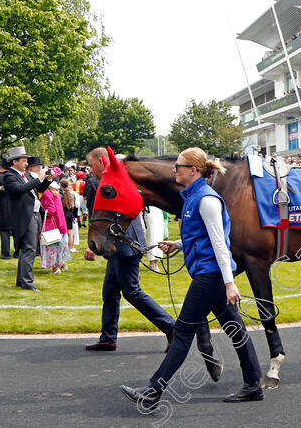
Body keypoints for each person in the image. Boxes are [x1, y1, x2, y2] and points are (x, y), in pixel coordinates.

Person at [120, 147, 264, 411]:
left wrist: (229, 282)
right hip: (210, 274)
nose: (174, 169)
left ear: (193, 170)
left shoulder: (206, 200)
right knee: (235, 329)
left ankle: (153, 391)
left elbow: (221, 244)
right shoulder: (193, 197)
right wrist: (178, 243)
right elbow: (203, 238)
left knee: (184, 331)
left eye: (179, 166)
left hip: (210, 277)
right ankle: (253, 383)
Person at [82, 148, 217, 364]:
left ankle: (171, 327)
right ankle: (108, 338)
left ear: (101, 161)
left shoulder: (119, 178)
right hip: (121, 240)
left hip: (125, 242)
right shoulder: (114, 178)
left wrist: (104, 241)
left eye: (91, 165)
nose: (89, 170)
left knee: (131, 292)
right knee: (110, 292)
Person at [0, 147, 52, 291]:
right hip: (25, 215)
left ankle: (21, 280)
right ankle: (27, 283)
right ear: (15, 162)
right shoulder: (9, 176)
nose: (26, 163)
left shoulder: (26, 176)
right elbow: (18, 189)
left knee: (28, 249)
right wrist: (38, 179)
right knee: (29, 248)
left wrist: (47, 179)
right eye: (23, 161)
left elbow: (39, 189)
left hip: (34, 214)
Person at [39, 181, 71, 274]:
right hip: (60, 223)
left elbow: (51, 209)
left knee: (51, 247)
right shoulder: (56, 193)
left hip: (51, 224)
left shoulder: (47, 193)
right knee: (59, 245)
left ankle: (55, 268)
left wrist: (41, 211)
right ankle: (61, 262)